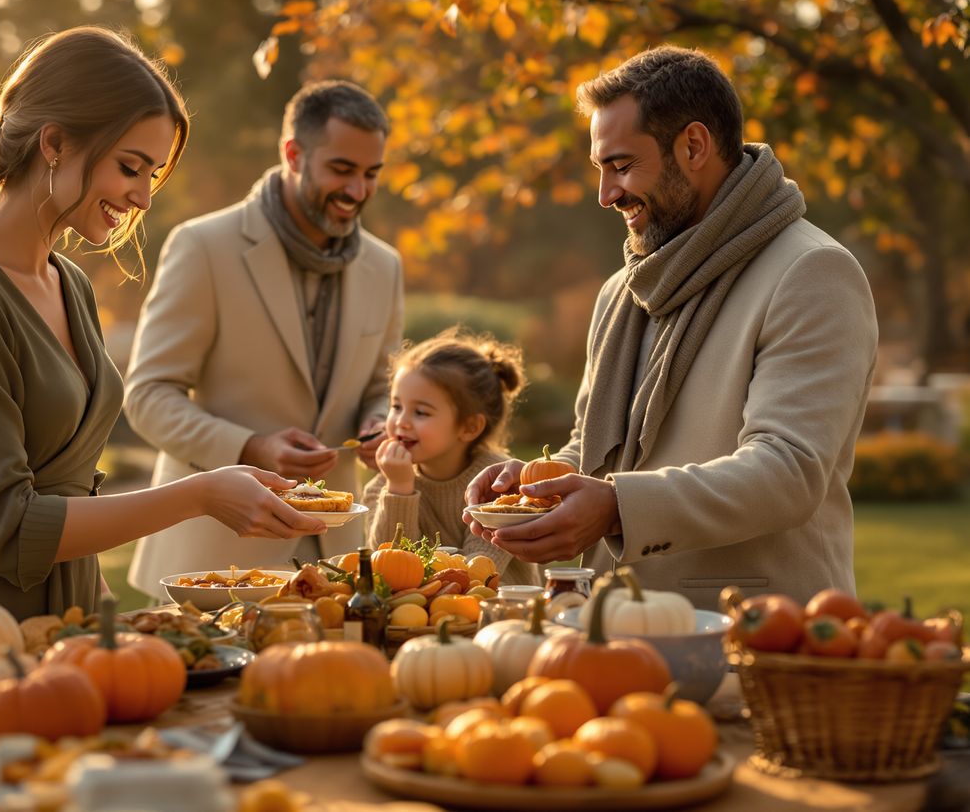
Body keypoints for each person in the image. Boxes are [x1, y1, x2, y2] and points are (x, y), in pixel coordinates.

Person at [0, 27, 325, 669]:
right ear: (54, 143)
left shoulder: (69, 283)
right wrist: (199, 495)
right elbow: (8, 527)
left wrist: (115, 618)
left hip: (68, 629)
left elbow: (69, 493)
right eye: (130, 167)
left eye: (152, 175)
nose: (143, 196)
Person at [466, 46, 878, 608]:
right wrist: (536, 484)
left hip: (752, 628)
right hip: (613, 623)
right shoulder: (624, 288)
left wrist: (616, 507)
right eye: (600, 169)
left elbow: (788, 471)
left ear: (694, 146)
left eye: (621, 165)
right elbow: (596, 448)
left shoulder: (812, 272)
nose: (606, 195)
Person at [123, 80, 403, 597]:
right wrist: (250, 448)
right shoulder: (203, 246)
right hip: (213, 565)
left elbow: (382, 387)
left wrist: (380, 420)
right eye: (342, 169)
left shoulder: (385, 266)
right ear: (293, 154)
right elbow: (147, 396)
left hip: (336, 566)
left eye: (371, 174)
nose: (358, 191)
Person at [363, 329, 539, 586]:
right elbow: (388, 573)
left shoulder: (499, 485)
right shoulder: (383, 487)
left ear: (469, 427)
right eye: (396, 406)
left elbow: (477, 575)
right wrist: (399, 489)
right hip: (421, 610)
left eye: (421, 412)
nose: (401, 422)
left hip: (499, 607)